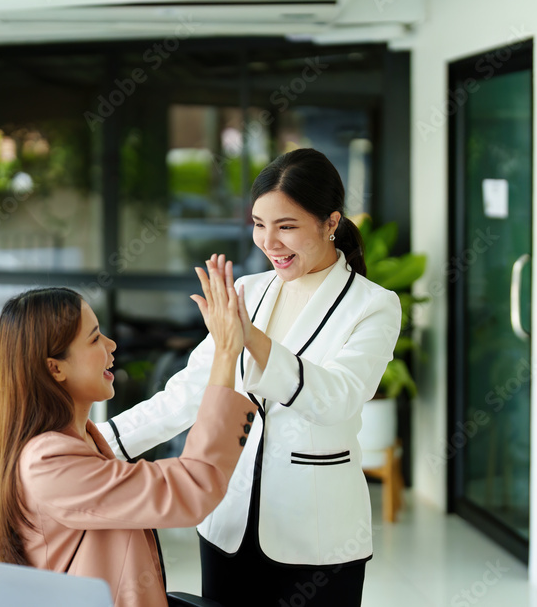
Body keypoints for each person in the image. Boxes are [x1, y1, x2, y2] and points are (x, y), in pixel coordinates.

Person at [98, 148, 402, 607]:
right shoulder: (247, 291)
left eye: (287, 226)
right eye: (260, 224)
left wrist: (250, 338)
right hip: (229, 522)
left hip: (317, 537)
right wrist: (97, 444)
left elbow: (337, 399)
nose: (269, 242)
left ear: (330, 222)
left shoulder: (373, 305)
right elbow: (188, 394)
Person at [0, 269, 257, 607]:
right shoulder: (49, 462)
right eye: (94, 339)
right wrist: (226, 353)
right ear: (55, 368)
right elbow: (191, 488)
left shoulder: (71, 441)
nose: (111, 345)